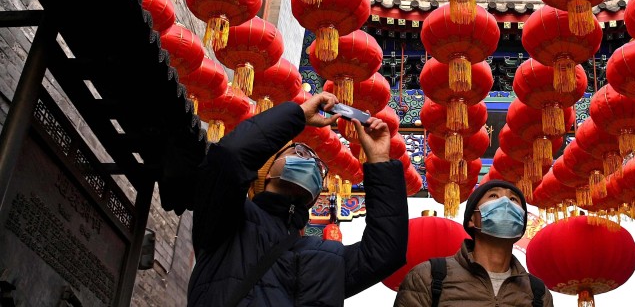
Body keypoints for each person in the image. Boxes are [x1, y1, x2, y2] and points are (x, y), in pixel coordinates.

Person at [187, 91, 408, 306]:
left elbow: (385, 252)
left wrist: (380, 160)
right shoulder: (228, 220)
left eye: (319, 166)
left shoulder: (328, 257)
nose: (311, 162)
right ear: (268, 171)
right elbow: (230, 158)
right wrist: (298, 116)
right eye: (300, 152)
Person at [393, 180, 553, 307]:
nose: (505, 203)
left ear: (521, 223)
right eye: (493, 196)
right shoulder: (429, 277)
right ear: (471, 219)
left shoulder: (537, 293)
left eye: (513, 199)